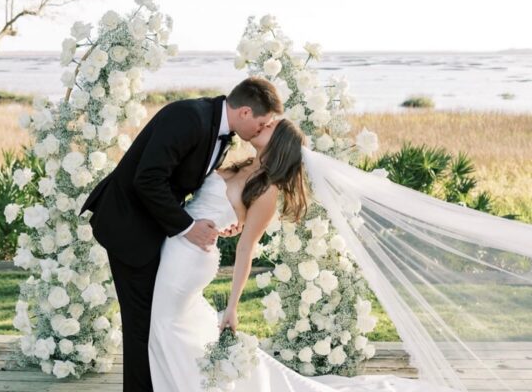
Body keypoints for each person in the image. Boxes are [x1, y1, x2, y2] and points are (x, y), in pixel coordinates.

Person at [148, 118, 463, 392]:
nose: (263, 125)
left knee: (165, 324)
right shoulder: (243, 163)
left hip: (189, 262)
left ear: (279, 144)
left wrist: (232, 306)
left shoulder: (268, 191)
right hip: (180, 246)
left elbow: (246, 248)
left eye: (270, 127)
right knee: (179, 329)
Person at [78, 77, 284, 392]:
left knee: (149, 325)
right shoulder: (189, 117)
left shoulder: (223, 134)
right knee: (141, 326)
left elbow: (180, 184)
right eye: (261, 122)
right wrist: (188, 227)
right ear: (244, 112)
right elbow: (147, 179)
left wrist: (218, 217)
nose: (261, 128)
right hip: (130, 227)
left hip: (161, 234)